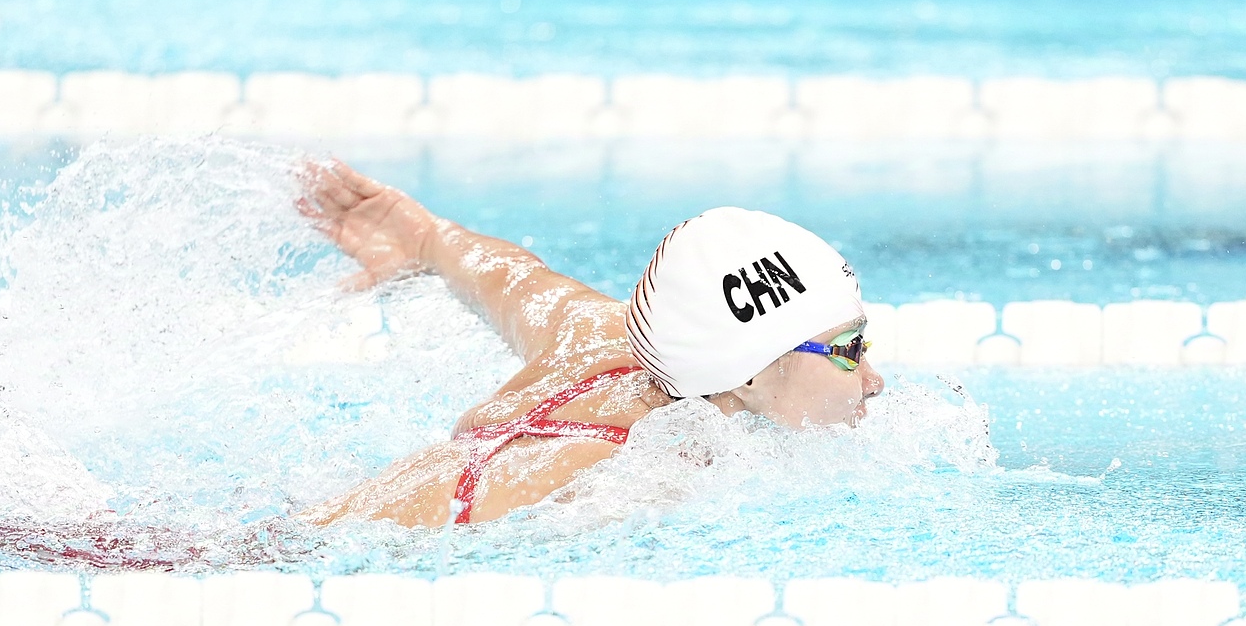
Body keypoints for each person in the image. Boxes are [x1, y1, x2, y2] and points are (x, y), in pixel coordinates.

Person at [297, 159, 884, 529]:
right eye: (849, 350)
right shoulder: (616, 479)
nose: (873, 380)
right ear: (748, 373)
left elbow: (517, 279)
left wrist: (424, 237)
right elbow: (319, 539)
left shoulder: (604, 339)